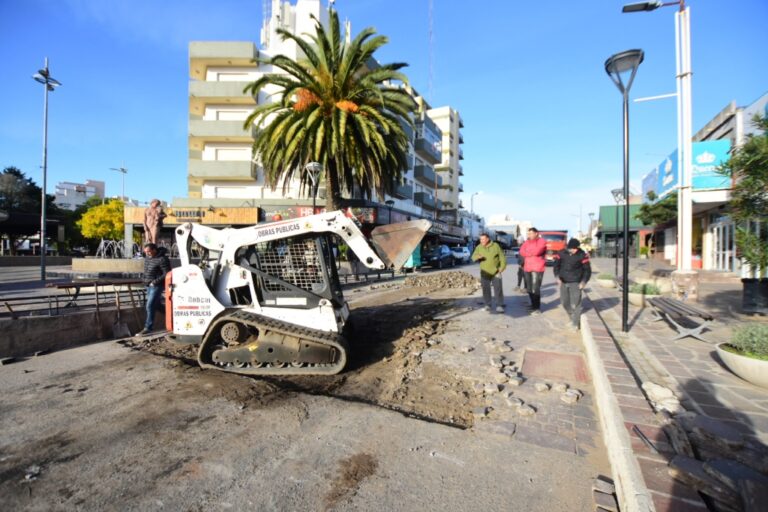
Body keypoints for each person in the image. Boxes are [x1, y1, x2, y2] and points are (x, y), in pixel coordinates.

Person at [553, 238, 592, 330]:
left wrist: (583, 282)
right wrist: (557, 277)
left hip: (576, 282)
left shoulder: (582, 255)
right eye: (572, 248)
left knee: (576, 303)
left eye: (576, 248)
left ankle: (575, 323)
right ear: (568, 247)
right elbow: (556, 266)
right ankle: (572, 317)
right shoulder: (561, 253)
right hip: (563, 281)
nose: (574, 250)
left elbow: (587, 270)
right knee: (564, 302)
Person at [136, 243, 171, 336]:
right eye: (146, 252)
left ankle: (148, 328)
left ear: (154, 250)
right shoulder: (148, 258)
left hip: (157, 285)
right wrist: (144, 279)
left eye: (149, 251)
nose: (147, 253)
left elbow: (167, 273)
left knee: (149, 305)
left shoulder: (162, 259)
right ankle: (173, 317)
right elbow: (146, 270)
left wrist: (155, 282)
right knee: (157, 305)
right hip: (148, 285)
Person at [471, 233, 507, 312]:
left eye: (483, 239)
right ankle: (488, 304)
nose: (481, 241)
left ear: (488, 239)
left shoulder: (496, 246)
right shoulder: (479, 247)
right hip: (484, 272)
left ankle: (499, 305)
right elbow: (473, 257)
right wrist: (478, 257)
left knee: (498, 289)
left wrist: (502, 268)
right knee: (486, 289)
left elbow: (502, 257)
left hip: (496, 272)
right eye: (480, 239)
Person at [519, 227, 547, 315]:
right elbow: (521, 251)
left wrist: (528, 252)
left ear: (536, 233)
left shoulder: (542, 241)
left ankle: (537, 308)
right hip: (527, 267)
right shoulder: (526, 242)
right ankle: (533, 305)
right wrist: (530, 253)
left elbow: (537, 251)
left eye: (531, 233)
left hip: (537, 268)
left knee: (536, 289)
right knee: (529, 289)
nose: (529, 235)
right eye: (528, 234)